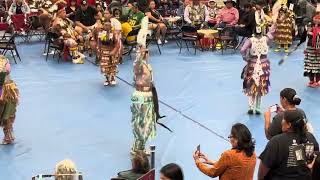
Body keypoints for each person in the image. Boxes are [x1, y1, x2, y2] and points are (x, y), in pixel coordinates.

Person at [258, 109, 319, 180]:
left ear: (289, 125)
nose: (281, 122)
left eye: (283, 119)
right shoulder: (310, 137)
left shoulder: (277, 141)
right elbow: (314, 162)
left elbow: (264, 168)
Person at [240, 25, 275, 115]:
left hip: (253, 64)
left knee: (251, 85)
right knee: (261, 86)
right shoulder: (266, 39)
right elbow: (272, 33)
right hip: (264, 65)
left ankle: (251, 107)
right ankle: (258, 107)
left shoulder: (250, 40)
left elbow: (242, 50)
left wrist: (245, 58)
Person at [131, 46, 156, 154]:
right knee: (140, 123)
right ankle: (138, 148)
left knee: (147, 123)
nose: (148, 54)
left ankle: (139, 146)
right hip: (140, 97)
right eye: (147, 52)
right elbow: (136, 63)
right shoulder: (139, 66)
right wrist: (139, 54)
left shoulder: (148, 66)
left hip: (148, 96)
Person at [0, 55, 19, 145]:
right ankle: (9, 137)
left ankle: (8, 137)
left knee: (6, 116)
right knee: (7, 116)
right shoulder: (4, 59)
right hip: (8, 92)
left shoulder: (3, 62)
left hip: (5, 93)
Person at [97, 20, 120, 86]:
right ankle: (107, 79)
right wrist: (99, 50)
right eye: (105, 25)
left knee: (112, 65)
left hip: (112, 51)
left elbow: (117, 44)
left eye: (108, 25)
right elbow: (99, 43)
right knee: (105, 66)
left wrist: (114, 51)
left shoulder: (114, 33)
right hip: (104, 52)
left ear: (111, 26)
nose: (106, 26)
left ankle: (113, 78)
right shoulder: (101, 33)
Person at [304, 10, 320, 88]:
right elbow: (307, 35)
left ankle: (317, 81)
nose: (316, 19)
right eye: (315, 18)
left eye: (318, 18)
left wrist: (315, 33)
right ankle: (311, 80)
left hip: (318, 50)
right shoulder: (310, 25)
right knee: (309, 65)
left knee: (317, 66)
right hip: (310, 48)